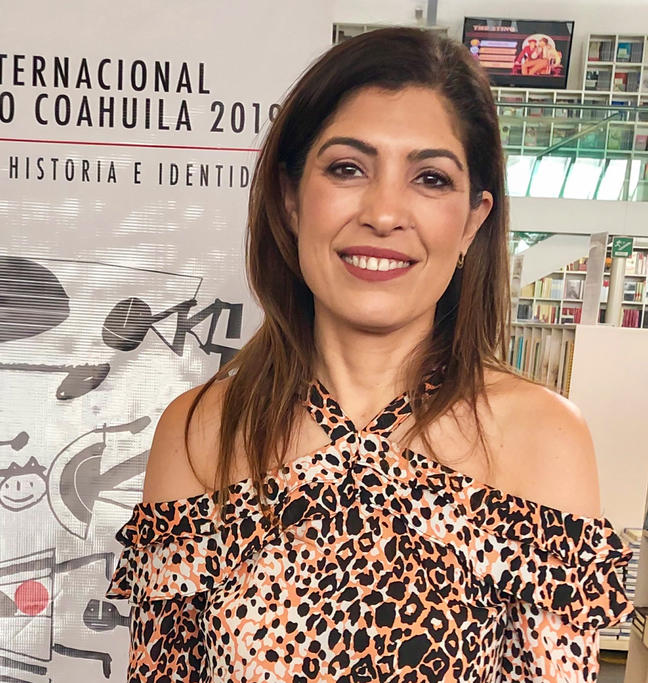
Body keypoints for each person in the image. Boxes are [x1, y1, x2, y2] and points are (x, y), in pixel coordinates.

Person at [105, 27, 633, 681]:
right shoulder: (200, 432)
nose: (384, 213)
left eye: (430, 178)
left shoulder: (542, 437)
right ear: (291, 198)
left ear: (472, 220)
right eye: (348, 168)